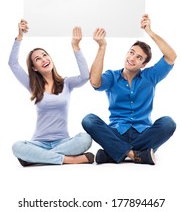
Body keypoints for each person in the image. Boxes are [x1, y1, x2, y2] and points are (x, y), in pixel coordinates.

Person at [82, 14, 177, 165]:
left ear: (143, 64)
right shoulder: (112, 76)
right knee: (89, 120)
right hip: (117, 132)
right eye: (131, 52)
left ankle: (113, 153)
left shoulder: (150, 76)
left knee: (168, 123)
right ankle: (136, 155)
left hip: (144, 134)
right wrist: (102, 46)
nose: (132, 58)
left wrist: (150, 32)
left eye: (139, 57)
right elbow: (95, 82)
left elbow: (171, 56)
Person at [8, 19, 94, 166]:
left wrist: (75, 46)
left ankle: (35, 158)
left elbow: (86, 76)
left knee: (86, 138)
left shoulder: (67, 83)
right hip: (39, 143)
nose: (43, 59)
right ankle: (69, 160)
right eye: (38, 59)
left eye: (45, 55)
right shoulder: (33, 85)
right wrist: (20, 37)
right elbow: (13, 64)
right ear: (34, 68)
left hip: (64, 141)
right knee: (17, 146)